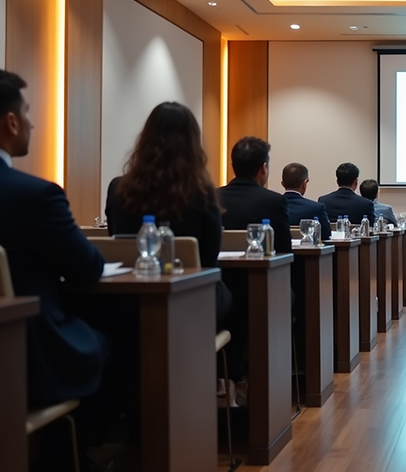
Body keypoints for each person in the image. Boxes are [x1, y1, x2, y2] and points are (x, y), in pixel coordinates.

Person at [0, 70, 109, 469]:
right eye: (27, 112)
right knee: (114, 340)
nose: (31, 122)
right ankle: (70, 456)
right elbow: (88, 268)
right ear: (11, 122)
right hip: (27, 351)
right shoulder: (36, 195)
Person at [105, 102, 233, 324]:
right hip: (192, 301)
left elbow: (114, 237)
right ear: (193, 144)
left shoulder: (118, 188)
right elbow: (209, 258)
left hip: (127, 302)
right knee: (234, 298)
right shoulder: (201, 192)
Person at [217, 137, 291, 255]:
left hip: (217, 271)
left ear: (233, 166)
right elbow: (284, 248)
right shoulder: (275, 201)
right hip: (262, 271)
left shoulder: (211, 198)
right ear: (263, 168)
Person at [280, 162, 330, 233]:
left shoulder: (271, 206)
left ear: (282, 184)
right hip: (308, 244)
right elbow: (326, 234)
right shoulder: (317, 208)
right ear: (304, 183)